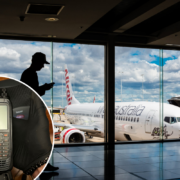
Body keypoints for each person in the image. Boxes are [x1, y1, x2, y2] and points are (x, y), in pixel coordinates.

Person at [20, 52, 58, 172]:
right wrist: (44, 88)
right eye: (42, 63)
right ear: (36, 61)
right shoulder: (30, 74)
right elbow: (33, 92)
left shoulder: (28, 73)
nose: (43, 66)